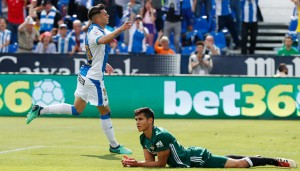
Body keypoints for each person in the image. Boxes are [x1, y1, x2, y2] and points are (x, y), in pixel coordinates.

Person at [26, 4, 132, 155]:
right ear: (97, 18)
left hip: (86, 73)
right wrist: (120, 29)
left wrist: (104, 63)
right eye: (105, 14)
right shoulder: (95, 31)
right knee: (105, 111)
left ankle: (40, 110)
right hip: (93, 78)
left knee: (77, 109)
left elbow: (94, 51)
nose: (108, 15)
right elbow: (103, 41)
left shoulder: (94, 29)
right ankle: (114, 146)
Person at [121, 107, 297, 168]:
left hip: (193, 158)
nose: (137, 122)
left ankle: (274, 161)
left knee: (239, 165)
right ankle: (254, 159)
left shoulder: (162, 136)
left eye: (141, 119)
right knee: (227, 160)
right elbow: (150, 163)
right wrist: (135, 162)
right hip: (190, 157)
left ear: (150, 120)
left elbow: (160, 164)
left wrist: (136, 163)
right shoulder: (144, 139)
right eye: (136, 120)